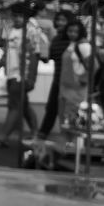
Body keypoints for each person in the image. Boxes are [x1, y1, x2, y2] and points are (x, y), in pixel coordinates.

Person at [0, 1, 49, 146]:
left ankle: (3, 137)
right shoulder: (9, 29)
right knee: (23, 106)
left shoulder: (31, 31)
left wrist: (31, 78)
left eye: (20, 16)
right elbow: (6, 52)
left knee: (14, 105)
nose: (17, 19)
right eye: (15, 16)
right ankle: (36, 133)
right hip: (10, 73)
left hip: (22, 75)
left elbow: (35, 55)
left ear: (26, 17)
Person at [37, 9, 73, 139]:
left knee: (66, 111)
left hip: (69, 82)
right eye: (58, 19)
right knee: (51, 108)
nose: (60, 22)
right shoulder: (56, 39)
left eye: (64, 20)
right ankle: (43, 134)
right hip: (58, 80)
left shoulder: (72, 39)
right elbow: (48, 58)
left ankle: (68, 139)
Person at [55, 19, 92, 129]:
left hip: (76, 91)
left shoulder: (83, 45)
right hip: (65, 88)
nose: (72, 34)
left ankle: (72, 145)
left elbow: (93, 65)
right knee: (65, 119)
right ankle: (67, 145)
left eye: (75, 31)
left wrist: (83, 80)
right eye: (70, 31)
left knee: (72, 120)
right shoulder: (72, 44)